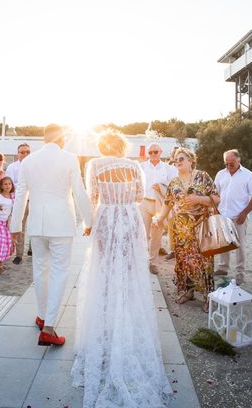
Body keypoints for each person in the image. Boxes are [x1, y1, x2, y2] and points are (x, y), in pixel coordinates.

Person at [72, 130, 172, 407]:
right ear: (122, 146)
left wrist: (89, 224)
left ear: (103, 146)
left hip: (106, 216)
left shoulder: (95, 165)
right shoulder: (134, 166)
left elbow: (92, 198)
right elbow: (140, 195)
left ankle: (106, 318)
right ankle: (125, 309)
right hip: (129, 217)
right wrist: (123, 201)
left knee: (104, 268)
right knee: (128, 269)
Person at [10, 124, 93, 346]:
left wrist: (15, 226)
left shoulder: (28, 161)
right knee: (58, 273)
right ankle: (48, 328)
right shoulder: (69, 158)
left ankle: (42, 315)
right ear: (62, 139)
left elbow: (20, 196)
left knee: (40, 270)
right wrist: (89, 220)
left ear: (44, 138)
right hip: (62, 225)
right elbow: (79, 190)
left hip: (37, 225)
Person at [153, 148, 219, 310]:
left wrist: (199, 199)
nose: (178, 161)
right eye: (175, 160)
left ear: (190, 159)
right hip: (181, 229)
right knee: (183, 260)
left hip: (201, 227)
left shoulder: (203, 176)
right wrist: (159, 218)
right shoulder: (174, 182)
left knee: (205, 262)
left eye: (181, 158)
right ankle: (188, 291)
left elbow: (216, 198)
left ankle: (208, 296)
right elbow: (168, 203)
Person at [213, 149, 252, 285]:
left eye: (231, 163)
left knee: (240, 247)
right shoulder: (220, 174)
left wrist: (245, 213)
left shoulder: (248, 175)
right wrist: (215, 211)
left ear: (239, 160)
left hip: (239, 216)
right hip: (223, 215)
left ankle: (240, 273)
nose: (228, 166)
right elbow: (215, 194)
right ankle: (223, 268)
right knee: (224, 245)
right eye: (226, 163)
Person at [139, 143, 177, 274]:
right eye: (150, 152)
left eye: (155, 152)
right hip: (144, 203)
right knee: (142, 234)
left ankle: (153, 262)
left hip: (160, 204)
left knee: (156, 235)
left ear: (161, 152)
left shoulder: (169, 169)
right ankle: (141, 261)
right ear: (147, 154)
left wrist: (161, 187)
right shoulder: (141, 167)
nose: (153, 154)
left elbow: (173, 188)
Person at [6, 143, 31, 264]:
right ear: (18, 154)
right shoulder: (12, 167)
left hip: (35, 199)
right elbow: (9, 185)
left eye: (27, 152)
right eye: (22, 152)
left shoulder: (35, 166)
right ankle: (19, 254)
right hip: (20, 200)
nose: (25, 154)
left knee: (35, 225)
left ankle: (32, 250)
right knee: (20, 226)